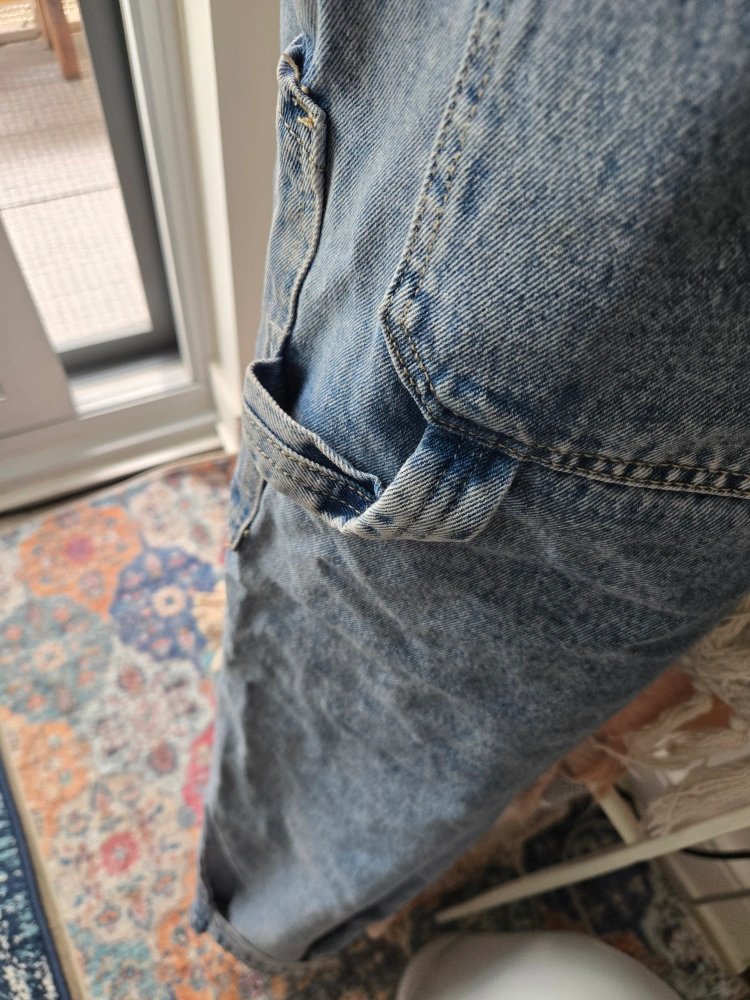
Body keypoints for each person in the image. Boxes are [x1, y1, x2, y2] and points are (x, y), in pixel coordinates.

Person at [191, 0, 750, 969]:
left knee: (382, 689)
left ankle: (274, 913)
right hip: (500, 357)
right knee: (364, 703)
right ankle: (266, 917)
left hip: (515, 348)